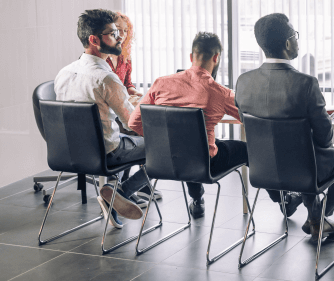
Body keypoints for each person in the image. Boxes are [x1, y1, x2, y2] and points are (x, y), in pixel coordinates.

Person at [126, 32, 302, 219]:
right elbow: (255, 119)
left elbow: (133, 122)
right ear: (216, 58)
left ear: (191, 57)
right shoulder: (220, 93)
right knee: (244, 150)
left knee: (189, 144)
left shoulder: (161, 83)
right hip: (205, 165)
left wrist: (163, 141)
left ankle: (197, 201)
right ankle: (284, 201)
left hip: (163, 160)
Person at [235, 13, 334, 241]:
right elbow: (325, 139)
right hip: (305, 169)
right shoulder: (306, 83)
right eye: (295, 35)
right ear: (287, 43)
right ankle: (319, 216)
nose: (297, 40)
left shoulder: (243, 82)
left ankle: (302, 210)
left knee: (300, 154)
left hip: (263, 169)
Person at [54, 9, 149, 223]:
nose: (120, 38)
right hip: (106, 153)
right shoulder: (107, 79)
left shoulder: (63, 73)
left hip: (69, 153)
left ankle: (114, 193)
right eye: (113, 34)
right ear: (94, 40)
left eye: (119, 32)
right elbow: (132, 123)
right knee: (164, 149)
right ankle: (120, 192)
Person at [107, 12, 141, 101]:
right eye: (118, 29)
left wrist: (135, 92)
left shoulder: (126, 57)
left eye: (125, 30)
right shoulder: (101, 56)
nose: (122, 34)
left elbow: (127, 84)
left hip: (121, 103)